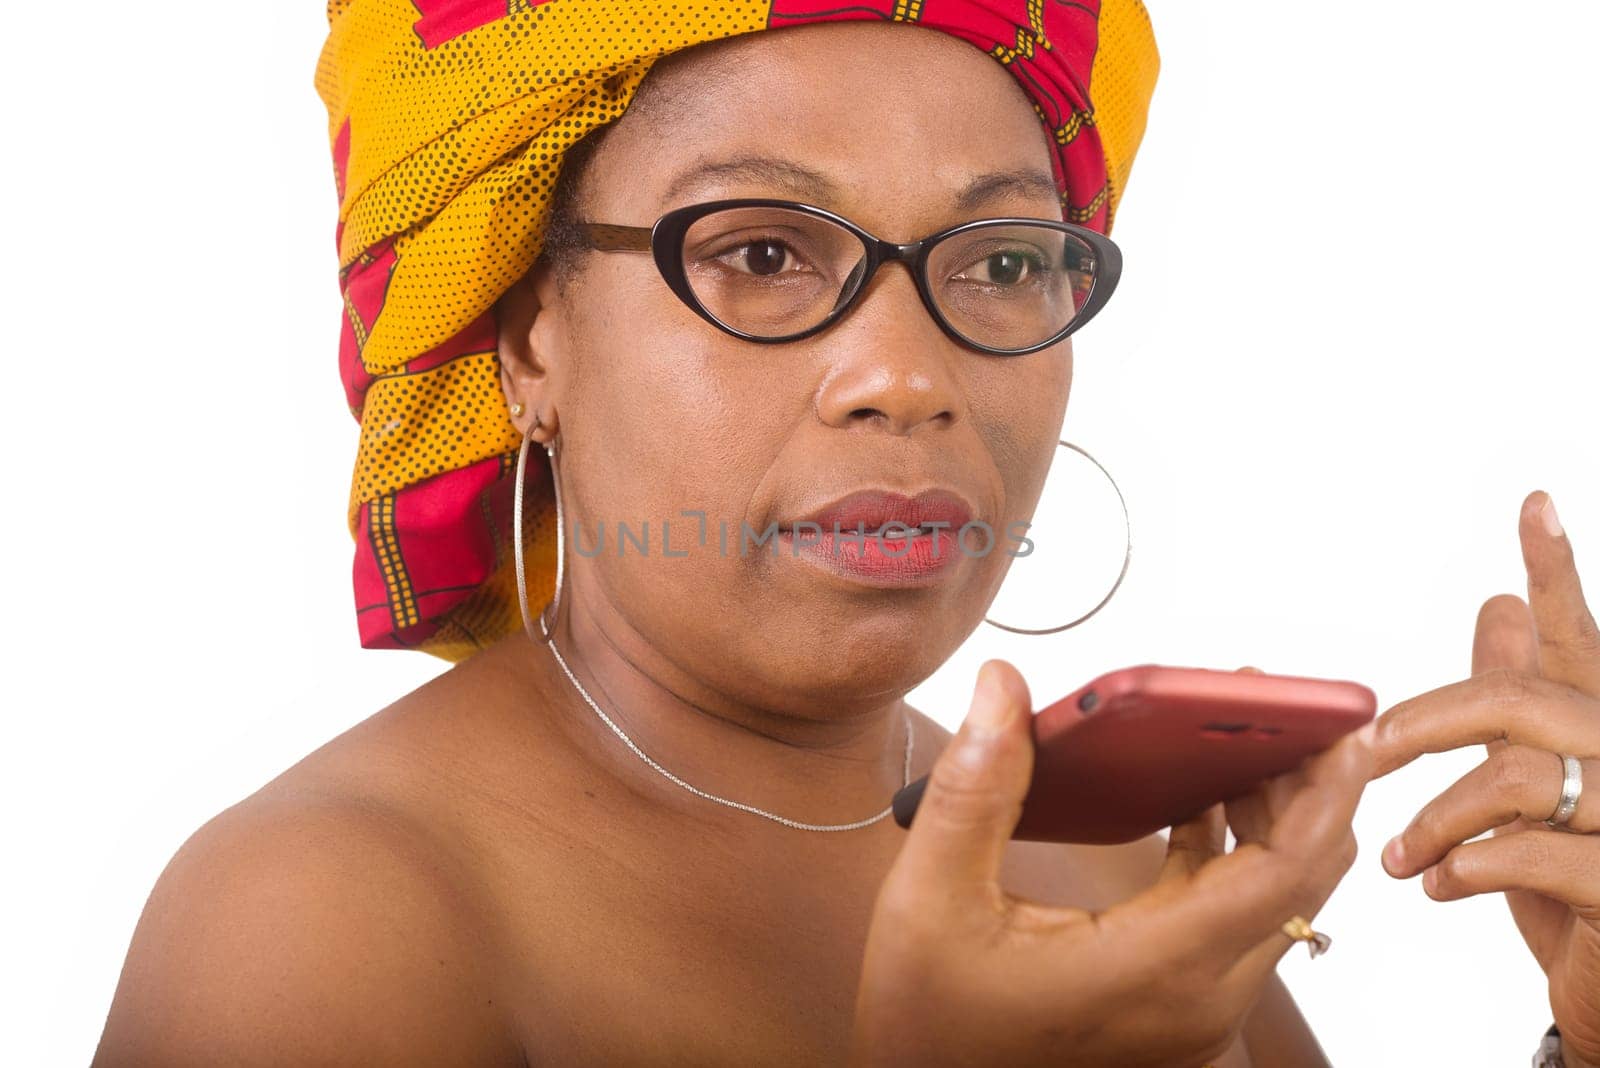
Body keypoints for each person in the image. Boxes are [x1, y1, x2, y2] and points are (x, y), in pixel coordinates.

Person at [91, 2, 1600, 1065]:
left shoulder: (1098, 868)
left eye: (1001, 259)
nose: (909, 376)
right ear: (527, 336)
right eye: (759, 251)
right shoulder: (323, 924)